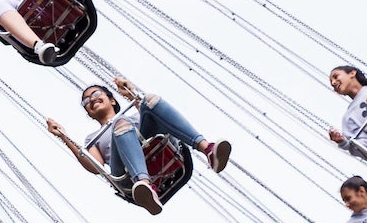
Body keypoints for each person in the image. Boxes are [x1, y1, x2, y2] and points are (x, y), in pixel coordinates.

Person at [45, 78, 231, 214]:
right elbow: (96, 167)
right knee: (120, 125)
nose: (91, 100)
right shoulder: (93, 139)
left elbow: (149, 110)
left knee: (150, 100)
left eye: (95, 94)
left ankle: (207, 149)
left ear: (112, 100)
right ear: (89, 113)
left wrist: (131, 94)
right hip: (125, 171)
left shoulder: (134, 117)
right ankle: (144, 184)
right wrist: (64, 137)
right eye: (86, 102)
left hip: (157, 144)